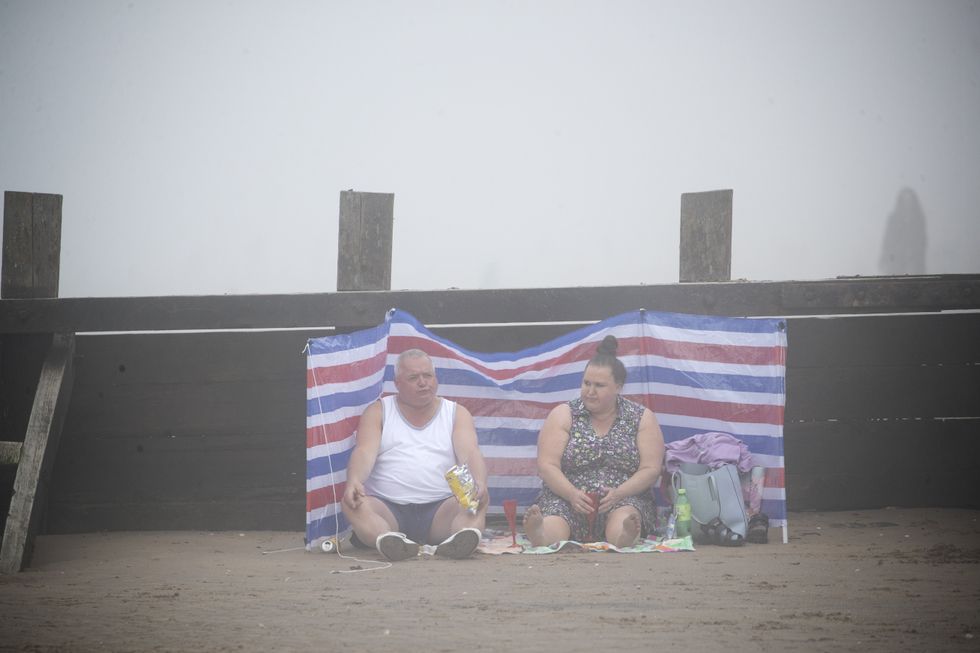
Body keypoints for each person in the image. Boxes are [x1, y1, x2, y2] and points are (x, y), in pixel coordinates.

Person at [341, 349, 489, 561]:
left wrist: (480, 482)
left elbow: (471, 453)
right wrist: (354, 481)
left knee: (479, 500)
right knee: (351, 502)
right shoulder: (378, 411)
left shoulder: (456, 412)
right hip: (388, 509)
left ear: (435, 378)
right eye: (413, 378)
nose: (423, 383)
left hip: (441, 509)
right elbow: (364, 452)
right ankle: (388, 540)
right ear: (398, 383)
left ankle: (461, 538)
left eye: (427, 376)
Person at [523, 335, 665, 548]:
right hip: (568, 498)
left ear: (618, 387)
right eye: (586, 383)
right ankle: (541, 533)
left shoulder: (641, 417)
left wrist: (619, 493)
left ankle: (624, 535)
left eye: (599, 385)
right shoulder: (564, 414)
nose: (590, 391)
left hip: (623, 498)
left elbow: (651, 469)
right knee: (557, 519)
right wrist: (572, 494)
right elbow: (547, 466)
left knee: (625, 515)